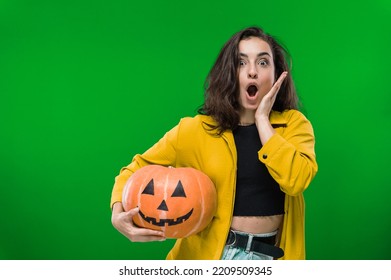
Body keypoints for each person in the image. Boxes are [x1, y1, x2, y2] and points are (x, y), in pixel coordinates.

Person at [110, 26, 318, 260]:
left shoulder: (294, 126)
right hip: (210, 256)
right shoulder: (195, 130)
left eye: (263, 62)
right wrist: (118, 213)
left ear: (277, 73)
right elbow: (134, 169)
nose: (252, 72)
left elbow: (297, 180)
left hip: (271, 256)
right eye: (241, 63)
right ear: (228, 72)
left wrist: (262, 120)